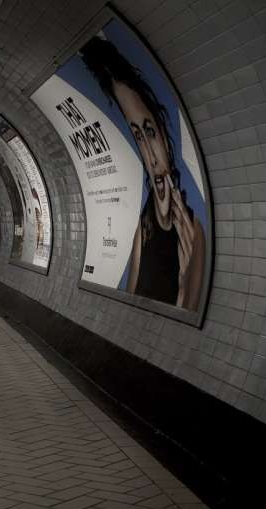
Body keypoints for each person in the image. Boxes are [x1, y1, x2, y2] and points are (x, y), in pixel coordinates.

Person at [81, 36, 204, 311]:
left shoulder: (193, 234)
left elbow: (189, 322)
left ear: (165, 138)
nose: (149, 154)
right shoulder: (144, 230)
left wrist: (183, 288)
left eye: (150, 132)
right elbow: (131, 308)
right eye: (138, 136)